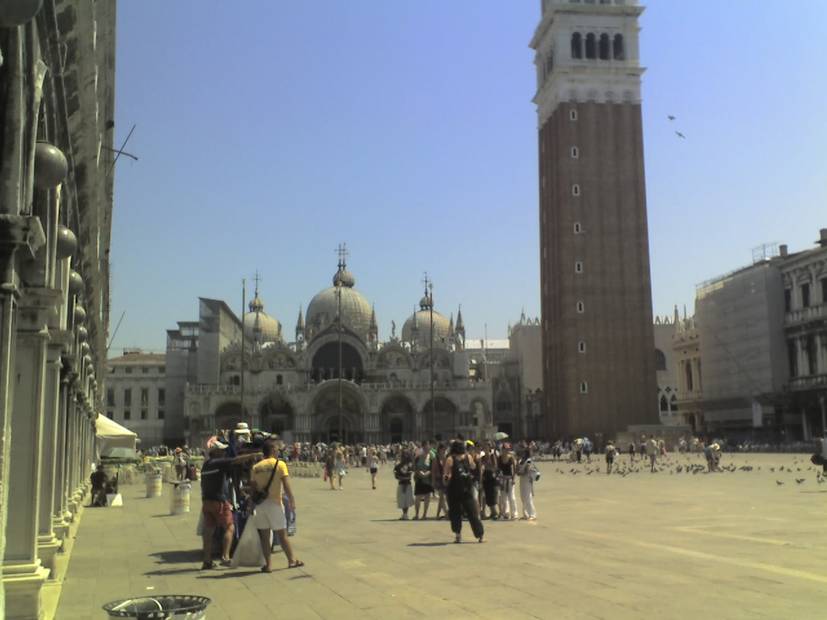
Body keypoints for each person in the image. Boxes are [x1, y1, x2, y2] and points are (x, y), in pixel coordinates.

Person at [199, 443, 259, 570]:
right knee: (230, 527)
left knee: (208, 531)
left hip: (206, 501)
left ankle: (207, 560)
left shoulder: (206, 465)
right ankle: (225, 557)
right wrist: (252, 455)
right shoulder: (219, 462)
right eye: (221, 450)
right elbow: (236, 460)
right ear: (215, 452)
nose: (224, 452)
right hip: (219, 501)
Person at [250, 441, 303, 572]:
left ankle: (268, 565)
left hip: (260, 505)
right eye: (277, 449)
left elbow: (253, 488)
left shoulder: (256, 467)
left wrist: (251, 504)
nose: (278, 451)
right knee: (282, 534)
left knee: (265, 536)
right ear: (273, 450)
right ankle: (291, 560)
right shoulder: (280, 464)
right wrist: (292, 499)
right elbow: (286, 484)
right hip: (275, 503)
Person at [443, 440, 485, 543]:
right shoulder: (468, 457)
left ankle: (458, 535)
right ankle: (480, 534)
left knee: (455, 513)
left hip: (454, 490)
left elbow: (446, 474)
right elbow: (473, 467)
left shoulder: (450, 459)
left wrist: (446, 480)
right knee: (472, 513)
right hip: (467, 488)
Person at [413, 441, 433, 520]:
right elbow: (415, 467)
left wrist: (428, 473)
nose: (427, 448)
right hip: (419, 479)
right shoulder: (418, 457)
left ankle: (424, 514)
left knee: (427, 497)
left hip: (428, 480)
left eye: (428, 447)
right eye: (425, 447)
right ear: (423, 447)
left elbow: (432, 468)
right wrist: (419, 472)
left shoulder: (431, 457)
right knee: (418, 497)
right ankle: (417, 514)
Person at [498, 444, 518, 520]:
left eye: (508, 449)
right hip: (502, 479)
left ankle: (514, 514)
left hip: (510, 479)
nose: (507, 451)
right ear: (502, 450)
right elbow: (498, 469)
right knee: (503, 498)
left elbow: (514, 469)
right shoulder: (499, 458)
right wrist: (499, 480)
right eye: (505, 449)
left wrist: (513, 479)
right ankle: (506, 513)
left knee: (512, 497)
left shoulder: (511, 458)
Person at [517, 447, 537, 520]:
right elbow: (518, 469)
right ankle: (525, 514)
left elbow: (527, 470)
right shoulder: (521, 460)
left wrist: (520, 473)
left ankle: (532, 514)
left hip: (527, 480)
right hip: (522, 480)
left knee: (528, 497)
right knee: (523, 497)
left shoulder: (529, 460)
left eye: (524, 452)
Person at [394, 449, 415, 520]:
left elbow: (408, 475)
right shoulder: (400, 465)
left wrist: (401, 478)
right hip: (402, 483)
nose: (403, 456)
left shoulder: (409, 465)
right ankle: (404, 514)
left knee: (405, 500)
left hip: (406, 483)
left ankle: (405, 515)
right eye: (403, 455)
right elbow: (396, 474)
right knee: (403, 500)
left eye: (404, 455)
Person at [431, 443, 448, 519]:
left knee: (442, 498)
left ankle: (438, 514)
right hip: (438, 480)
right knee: (442, 497)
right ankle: (446, 513)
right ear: (439, 450)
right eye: (443, 449)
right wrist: (433, 481)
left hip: (444, 479)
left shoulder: (445, 458)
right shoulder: (436, 459)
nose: (444, 451)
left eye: (445, 449)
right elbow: (433, 471)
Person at [481, 448, 499, 520]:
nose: (485, 448)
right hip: (485, 477)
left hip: (492, 478)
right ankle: (490, 513)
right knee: (485, 495)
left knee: (492, 495)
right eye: (484, 446)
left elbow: (495, 467)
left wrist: (487, 466)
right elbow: (482, 467)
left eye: (487, 446)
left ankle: (495, 513)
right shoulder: (482, 457)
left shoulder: (492, 456)